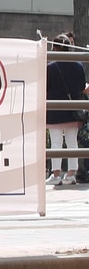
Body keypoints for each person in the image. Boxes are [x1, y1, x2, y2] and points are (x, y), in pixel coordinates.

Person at [45, 32, 85, 186]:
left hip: (55, 110)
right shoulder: (78, 64)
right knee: (71, 142)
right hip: (73, 109)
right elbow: (82, 87)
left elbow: (46, 87)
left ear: (55, 48)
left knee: (55, 143)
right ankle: (71, 173)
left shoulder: (51, 67)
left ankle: (56, 174)